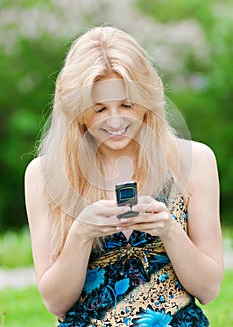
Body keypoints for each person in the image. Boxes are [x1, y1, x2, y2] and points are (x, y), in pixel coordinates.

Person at [24, 26, 223, 326]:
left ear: (147, 100)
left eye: (127, 105)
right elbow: (55, 303)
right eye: (99, 109)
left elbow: (208, 290)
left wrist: (169, 230)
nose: (115, 120)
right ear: (76, 110)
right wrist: (81, 233)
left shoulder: (195, 160)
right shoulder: (43, 174)